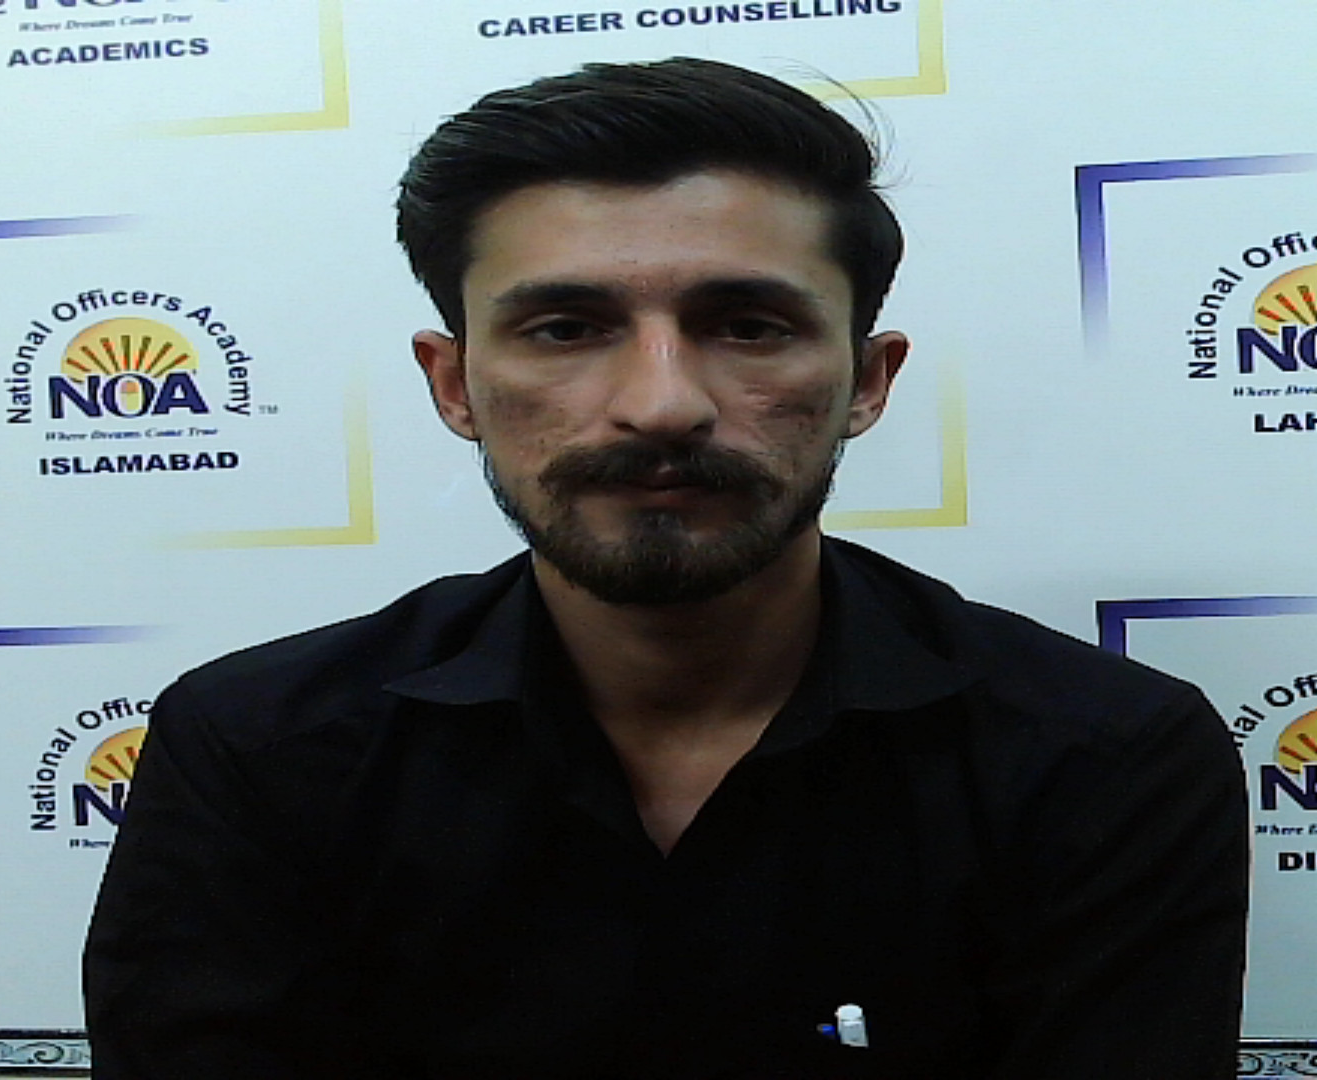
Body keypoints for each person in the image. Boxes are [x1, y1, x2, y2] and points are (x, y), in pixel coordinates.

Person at [83, 57, 1248, 1078]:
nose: (662, 405)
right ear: (453, 384)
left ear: (867, 380)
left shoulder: (1103, 760)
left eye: (747, 326)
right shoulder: (260, 751)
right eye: (565, 328)